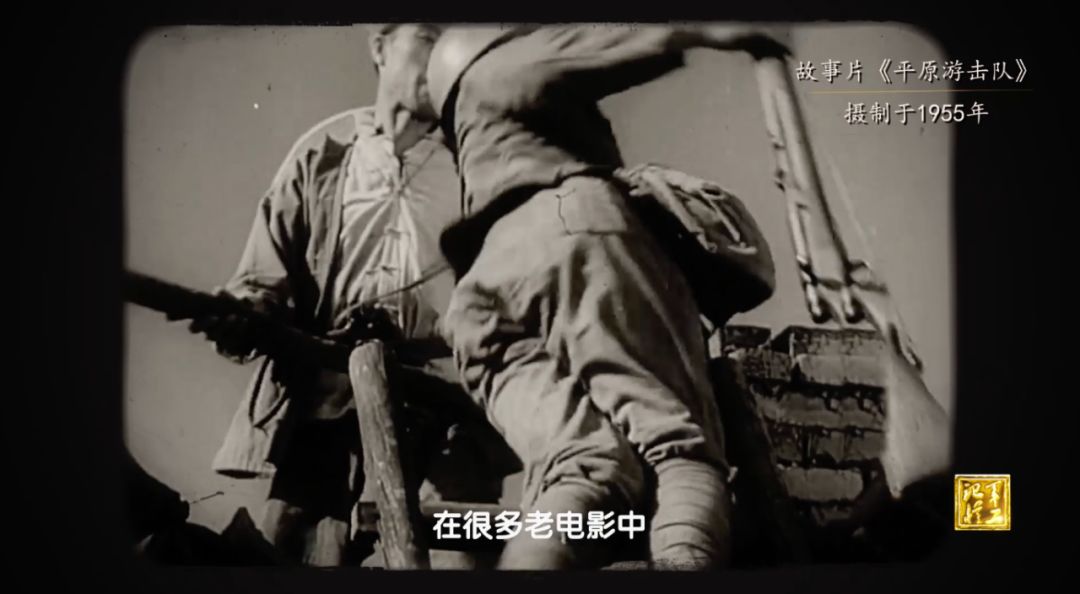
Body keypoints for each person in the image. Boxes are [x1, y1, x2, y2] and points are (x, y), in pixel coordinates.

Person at [376, 23, 789, 569]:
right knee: (680, 452)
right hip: (575, 237)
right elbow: (617, 41)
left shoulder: (467, 135)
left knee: (583, 467)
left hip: (483, 297)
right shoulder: (501, 68)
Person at [187, 23, 517, 567]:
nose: (446, 54)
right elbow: (263, 281)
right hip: (329, 399)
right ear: (380, 46)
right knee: (298, 554)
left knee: (457, 550)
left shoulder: (485, 166)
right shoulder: (325, 152)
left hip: (450, 403)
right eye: (428, 35)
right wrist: (242, 315)